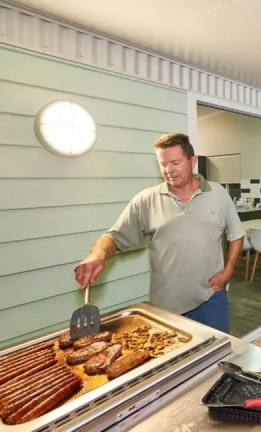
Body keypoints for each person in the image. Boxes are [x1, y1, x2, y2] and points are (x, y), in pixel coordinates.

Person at [74, 133, 245, 333]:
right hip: (166, 304)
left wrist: (228, 270)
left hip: (211, 298)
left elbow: (236, 234)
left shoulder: (218, 193)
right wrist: (97, 254)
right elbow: (114, 236)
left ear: (192, 161)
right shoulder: (146, 200)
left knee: (218, 350)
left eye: (175, 163)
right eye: (163, 164)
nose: (169, 170)